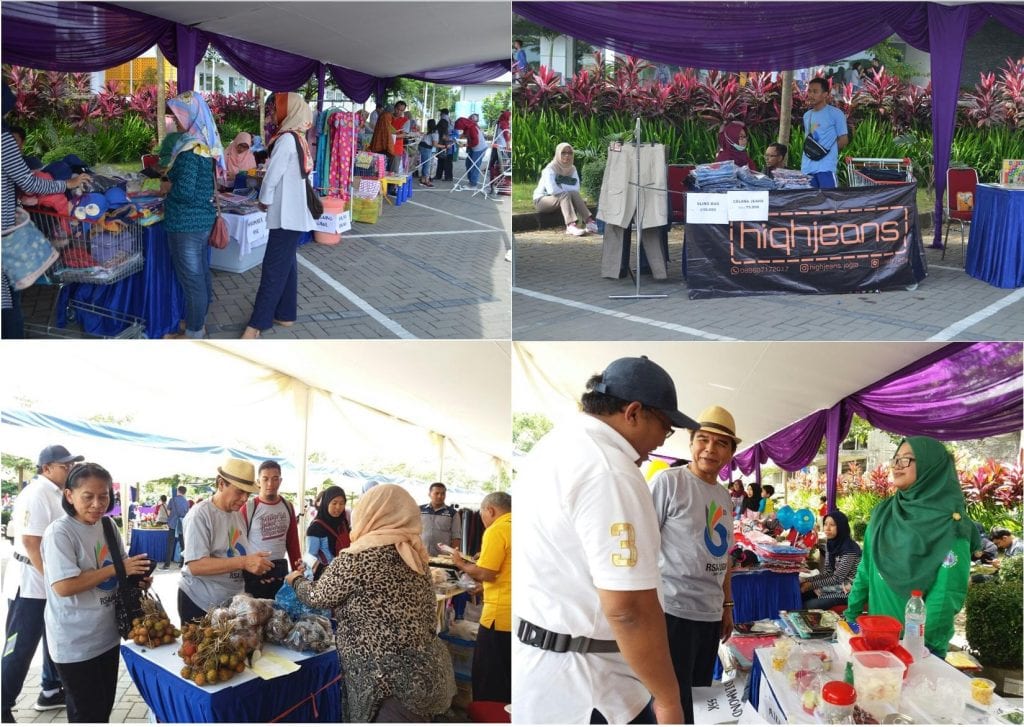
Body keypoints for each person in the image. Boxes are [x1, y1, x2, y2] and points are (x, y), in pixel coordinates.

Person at [513, 355, 700, 724]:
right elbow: (628, 608)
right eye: (666, 425)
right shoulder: (609, 469)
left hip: (543, 668)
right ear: (633, 413)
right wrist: (667, 699)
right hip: (591, 685)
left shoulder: (555, 444)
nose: (665, 438)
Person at [286, 485, 456, 722]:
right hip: (430, 674)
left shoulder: (358, 557)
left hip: (386, 687)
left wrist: (296, 580)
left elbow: (318, 597)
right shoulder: (415, 555)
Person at [41, 463, 152, 723]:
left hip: (108, 635)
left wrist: (137, 579)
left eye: (104, 496)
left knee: (102, 709)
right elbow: (64, 586)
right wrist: (118, 568)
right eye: (88, 496)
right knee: (87, 714)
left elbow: (121, 569)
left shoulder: (108, 526)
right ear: (69, 495)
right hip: (75, 644)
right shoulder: (60, 532)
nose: (97, 504)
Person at [844, 437, 974, 658]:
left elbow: (945, 595)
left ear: (930, 466)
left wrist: (916, 646)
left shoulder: (950, 524)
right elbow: (866, 568)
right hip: (875, 640)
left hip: (919, 651)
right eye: (895, 459)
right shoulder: (882, 514)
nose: (896, 465)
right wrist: (851, 615)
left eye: (906, 460)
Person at [650, 404, 739, 725]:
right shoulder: (669, 482)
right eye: (703, 439)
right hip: (672, 610)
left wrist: (726, 605)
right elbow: (644, 546)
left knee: (700, 694)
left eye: (721, 443)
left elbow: (724, 554)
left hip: (710, 612)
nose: (710, 449)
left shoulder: (725, 496)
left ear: (730, 452)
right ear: (691, 443)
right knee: (671, 697)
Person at [2, 84, 90, 338]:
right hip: (4, 233)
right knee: (8, 302)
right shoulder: (3, 139)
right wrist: (67, 183)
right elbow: (28, 182)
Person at [1, 445, 82, 721]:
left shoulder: (57, 494)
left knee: (53, 639)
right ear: (46, 468)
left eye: (72, 465)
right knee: (20, 646)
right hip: (31, 584)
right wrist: (53, 581)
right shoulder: (37, 494)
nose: (70, 469)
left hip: (47, 583)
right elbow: (31, 542)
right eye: (65, 466)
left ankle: (49, 690)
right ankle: (3, 702)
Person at [241, 92, 316, 339]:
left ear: (287, 111)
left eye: (274, 109)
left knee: (273, 268)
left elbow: (272, 176)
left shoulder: (286, 140)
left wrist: (263, 201)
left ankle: (256, 325)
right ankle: (285, 314)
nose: (272, 115)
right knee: (286, 264)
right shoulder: (299, 137)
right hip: (293, 213)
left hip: (287, 215)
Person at [178, 458, 273, 623]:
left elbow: (235, 552)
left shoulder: (236, 514)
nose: (244, 499)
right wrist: (243, 562)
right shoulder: (200, 514)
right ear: (221, 484)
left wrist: (256, 565)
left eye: (248, 494)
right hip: (200, 603)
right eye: (239, 492)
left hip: (230, 605)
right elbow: (195, 565)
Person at [163, 91, 223, 339]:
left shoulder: (189, 150)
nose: (176, 119)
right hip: (202, 220)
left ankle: (194, 333)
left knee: (192, 280)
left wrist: (168, 189)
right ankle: (198, 322)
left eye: (180, 113)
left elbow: (185, 193)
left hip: (185, 222)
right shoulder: (205, 145)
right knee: (200, 276)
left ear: (191, 115)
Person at [451, 491, 512, 704]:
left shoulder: (497, 529)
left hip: (499, 616)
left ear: (490, 510)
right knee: (508, 673)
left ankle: (488, 716)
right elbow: (508, 572)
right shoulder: (523, 527)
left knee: (489, 676)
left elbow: (486, 572)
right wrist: (484, 587)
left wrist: (460, 563)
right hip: (519, 613)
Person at [241, 461, 302, 598]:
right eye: (265, 479)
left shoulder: (288, 506)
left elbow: (293, 542)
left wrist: (298, 571)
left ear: (280, 481)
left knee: (279, 615)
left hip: (280, 572)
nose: (270, 484)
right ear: (258, 481)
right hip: (255, 573)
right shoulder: (248, 507)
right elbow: (238, 543)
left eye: (275, 479)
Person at [533, 142, 599, 237]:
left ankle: (589, 222)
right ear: (558, 154)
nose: (567, 155)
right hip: (542, 200)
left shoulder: (572, 169)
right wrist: (567, 184)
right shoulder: (550, 169)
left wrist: (561, 185)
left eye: (570, 153)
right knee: (566, 194)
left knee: (573, 193)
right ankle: (570, 225)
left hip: (561, 198)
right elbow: (552, 190)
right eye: (563, 153)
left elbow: (576, 188)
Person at [801, 510, 862, 610]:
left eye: (832, 525)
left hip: (848, 591)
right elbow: (829, 572)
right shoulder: (830, 545)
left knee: (808, 605)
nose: (827, 528)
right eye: (825, 524)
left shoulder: (850, 549)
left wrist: (811, 585)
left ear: (841, 527)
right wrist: (807, 580)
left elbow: (838, 578)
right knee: (801, 595)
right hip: (834, 586)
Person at [801, 77, 848, 189]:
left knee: (830, 202)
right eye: (809, 91)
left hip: (826, 168)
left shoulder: (836, 114)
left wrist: (828, 152)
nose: (811, 94)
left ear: (825, 94)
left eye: (815, 91)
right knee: (809, 203)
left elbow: (844, 140)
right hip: (807, 168)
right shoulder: (807, 115)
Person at [305, 485, 351, 577]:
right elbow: (310, 557)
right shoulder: (316, 527)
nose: (338, 507)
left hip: (344, 573)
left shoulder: (343, 522)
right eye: (334, 503)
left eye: (342, 503)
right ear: (326, 503)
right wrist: (308, 578)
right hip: (325, 575)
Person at [419, 482, 461, 557]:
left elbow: (456, 537)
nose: (440, 496)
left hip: (442, 557)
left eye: (443, 494)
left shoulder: (453, 513)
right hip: (420, 555)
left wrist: (454, 555)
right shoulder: (419, 510)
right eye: (436, 493)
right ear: (429, 494)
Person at [163, 485, 189, 569]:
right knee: (183, 544)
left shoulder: (172, 500)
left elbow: (169, 512)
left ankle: (167, 565)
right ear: (185, 492)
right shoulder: (186, 502)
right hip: (182, 525)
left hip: (173, 524)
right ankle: (183, 563)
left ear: (178, 491)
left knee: (170, 545)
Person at [416, 119, 442, 187]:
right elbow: (435, 144)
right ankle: (426, 180)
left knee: (425, 163)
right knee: (427, 164)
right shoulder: (435, 132)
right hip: (426, 148)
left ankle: (423, 179)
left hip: (422, 146)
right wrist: (444, 146)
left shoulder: (430, 131)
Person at [434, 109, 454, 182]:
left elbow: (441, 131)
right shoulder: (451, 121)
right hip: (449, 143)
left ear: (442, 113)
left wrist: (444, 137)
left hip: (445, 143)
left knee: (444, 160)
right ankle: (447, 176)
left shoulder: (443, 120)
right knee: (446, 160)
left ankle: (443, 176)